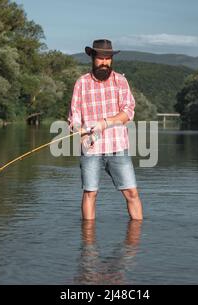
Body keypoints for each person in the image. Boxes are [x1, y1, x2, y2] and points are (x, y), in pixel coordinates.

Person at [68, 39, 143, 220]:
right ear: (92, 58)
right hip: (90, 149)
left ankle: (135, 244)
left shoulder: (121, 81)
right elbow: (74, 116)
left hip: (118, 147)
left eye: (108, 58)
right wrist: (79, 130)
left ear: (111, 60)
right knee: (90, 193)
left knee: (131, 193)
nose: (104, 62)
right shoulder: (81, 83)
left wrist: (105, 123)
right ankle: (88, 244)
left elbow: (128, 112)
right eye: (100, 58)